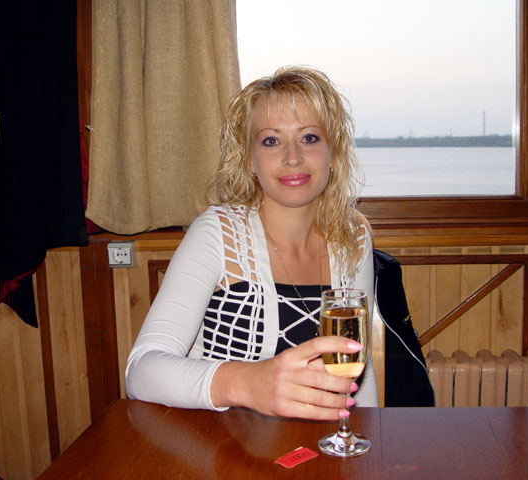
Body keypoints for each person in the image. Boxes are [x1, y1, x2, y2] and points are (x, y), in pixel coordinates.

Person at [125, 66, 377, 420]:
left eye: (309, 138)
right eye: (271, 141)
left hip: (315, 445)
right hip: (222, 444)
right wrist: (249, 383)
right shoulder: (217, 234)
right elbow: (140, 371)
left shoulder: (354, 236)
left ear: (332, 153)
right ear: (249, 161)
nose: (293, 157)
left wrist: (365, 436)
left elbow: (360, 368)